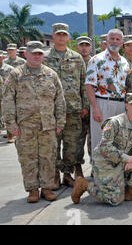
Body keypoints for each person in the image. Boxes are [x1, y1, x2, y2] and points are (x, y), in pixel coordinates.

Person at [2, 41, 66, 203]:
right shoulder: (16, 75)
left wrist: (60, 122)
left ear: (43, 55)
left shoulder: (51, 74)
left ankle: (46, 188)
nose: (37, 56)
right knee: (27, 158)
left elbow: (60, 100)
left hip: (48, 125)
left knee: (48, 157)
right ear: (26, 54)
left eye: (39, 53)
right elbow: (7, 100)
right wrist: (11, 124)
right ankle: (32, 190)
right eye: (33, 53)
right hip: (25, 126)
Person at [72, 93, 132, 206]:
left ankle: (131, 191)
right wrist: (127, 158)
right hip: (105, 162)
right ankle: (85, 185)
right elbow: (105, 147)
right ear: (126, 105)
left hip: (121, 160)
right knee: (115, 200)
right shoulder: (114, 122)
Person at [44, 23, 88, 188]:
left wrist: (85, 106)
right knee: (53, 144)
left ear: (68, 37)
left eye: (64, 34)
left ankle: (68, 174)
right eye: (58, 34)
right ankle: (54, 174)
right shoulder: (46, 58)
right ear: (53, 36)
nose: (61, 37)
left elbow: (84, 84)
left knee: (72, 144)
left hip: (73, 109)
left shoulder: (77, 58)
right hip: (52, 110)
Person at [85, 29, 130, 152]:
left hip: (120, 104)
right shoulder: (96, 60)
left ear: (122, 43)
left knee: (117, 139)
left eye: (117, 39)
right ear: (107, 40)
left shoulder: (125, 62)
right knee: (100, 139)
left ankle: (115, 171)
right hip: (102, 103)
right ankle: (97, 170)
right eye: (112, 39)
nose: (114, 41)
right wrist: (95, 108)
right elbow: (89, 85)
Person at [75, 36, 94, 178]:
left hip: (95, 108)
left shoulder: (96, 62)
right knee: (77, 140)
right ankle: (77, 168)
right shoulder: (73, 61)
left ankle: (95, 166)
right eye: (81, 45)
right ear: (77, 47)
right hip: (78, 109)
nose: (84, 48)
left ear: (91, 48)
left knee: (94, 139)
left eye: (87, 45)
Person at [0, 52, 15, 143]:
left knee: (8, 115)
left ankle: (10, 135)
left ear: (3, 57)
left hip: (6, 96)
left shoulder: (9, 69)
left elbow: (13, 82)